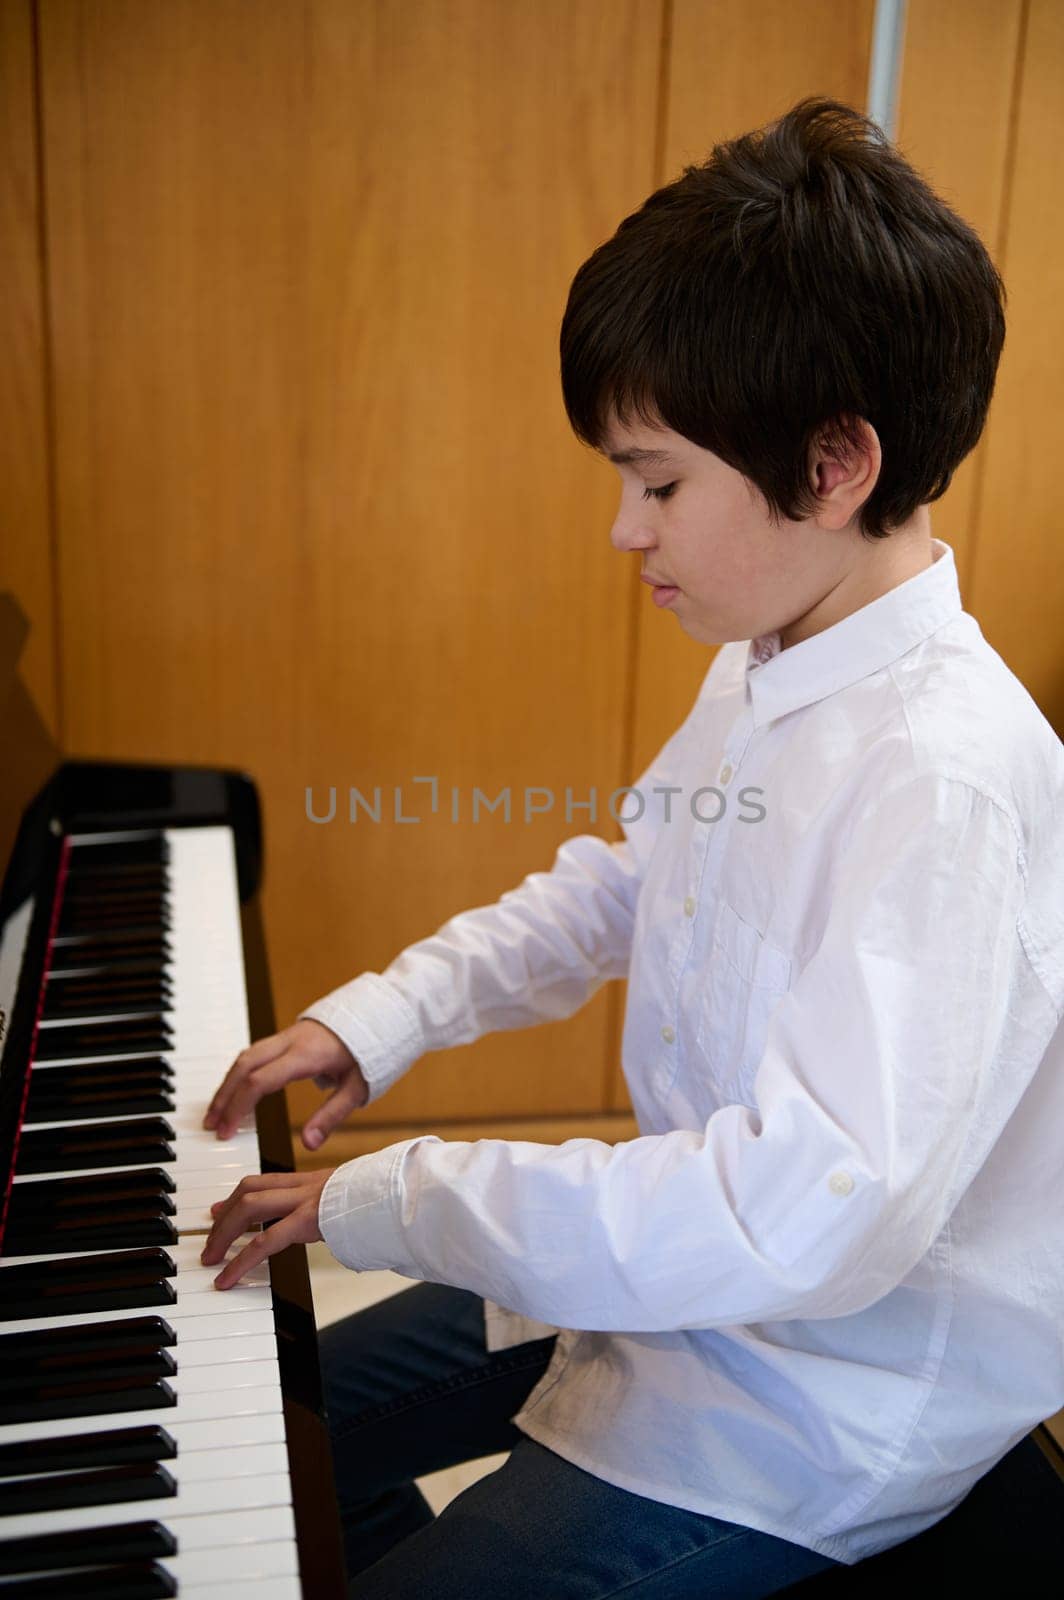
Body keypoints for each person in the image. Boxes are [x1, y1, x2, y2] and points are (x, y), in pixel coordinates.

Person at [199, 95, 1064, 1597]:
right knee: (258, 1430)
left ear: (836, 462)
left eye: (658, 482)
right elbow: (626, 880)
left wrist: (396, 1198)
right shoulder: (780, 646)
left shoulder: (948, 779)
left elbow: (804, 1217)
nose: (625, 530)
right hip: (674, 1285)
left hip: (809, 1396)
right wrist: (383, 1018)